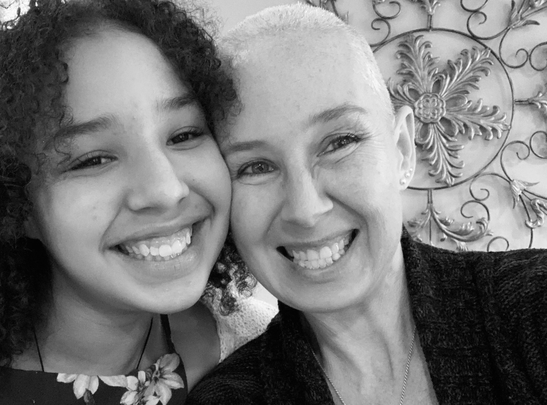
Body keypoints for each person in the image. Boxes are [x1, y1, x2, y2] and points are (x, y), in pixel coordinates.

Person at [0, 1, 276, 403]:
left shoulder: (269, 350)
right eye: (93, 159)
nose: (166, 190)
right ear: (16, 204)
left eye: (185, 134)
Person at [186, 4, 547, 405]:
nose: (305, 210)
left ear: (402, 149)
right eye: (256, 167)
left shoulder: (533, 305)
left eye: (339, 143)